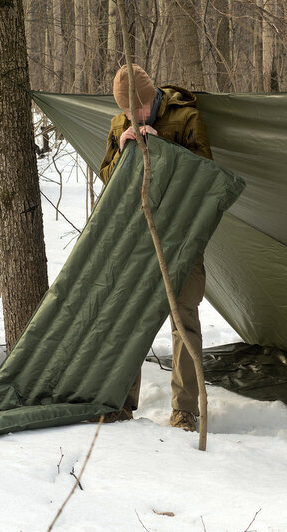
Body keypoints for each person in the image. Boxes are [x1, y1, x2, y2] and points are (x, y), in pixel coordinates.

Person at [98, 64, 211, 431]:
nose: (133, 116)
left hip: (182, 232)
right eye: (127, 111)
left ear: (152, 99)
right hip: (139, 236)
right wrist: (122, 148)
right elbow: (107, 178)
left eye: (138, 109)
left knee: (184, 319)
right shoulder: (119, 123)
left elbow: (205, 173)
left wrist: (160, 145)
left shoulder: (186, 116)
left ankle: (185, 411)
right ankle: (122, 402)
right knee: (130, 315)